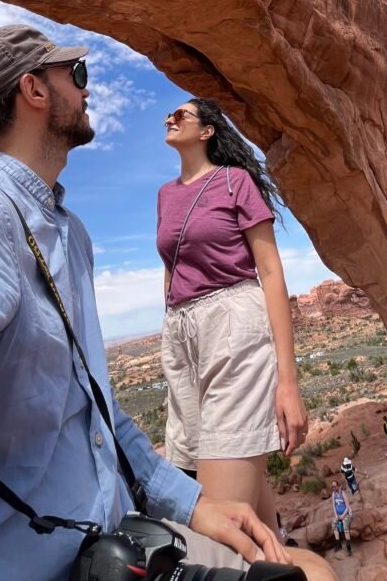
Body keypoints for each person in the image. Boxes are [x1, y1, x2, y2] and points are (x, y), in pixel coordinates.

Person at [0, 25, 334, 581]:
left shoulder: (67, 235)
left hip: (112, 545)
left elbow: (96, 412)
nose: (88, 90)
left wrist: (191, 504)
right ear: (35, 91)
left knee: (309, 569)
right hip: (32, 560)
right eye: (78, 75)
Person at [156, 97, 308, 535]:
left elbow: (271, 273)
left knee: (218, 519)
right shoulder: (165, 195)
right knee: (254, 524)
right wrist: (170, 332)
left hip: (234, 329)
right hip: (183, 337)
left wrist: (288, 383)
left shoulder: (234, 182)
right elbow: (171, 270)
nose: (170, 117)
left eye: (180, 114)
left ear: (206, 132)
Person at [330, 481, 352, 556]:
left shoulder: (343, 493)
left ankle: (349, 548)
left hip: (346, 514)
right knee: (334, 525)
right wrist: (336, 515)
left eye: (335, 486)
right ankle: (338, 544)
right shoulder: (333, 494)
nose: (334, 488)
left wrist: (343, 515)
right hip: (338, 514)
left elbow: (348, 507)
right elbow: (333, 506)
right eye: (332, 487)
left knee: (345, 526)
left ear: (338, 486)